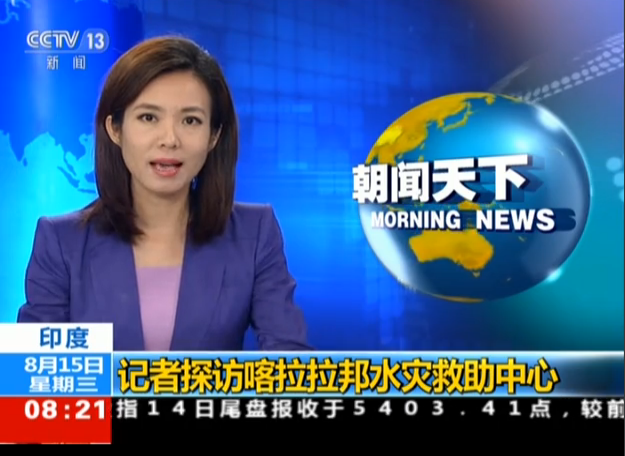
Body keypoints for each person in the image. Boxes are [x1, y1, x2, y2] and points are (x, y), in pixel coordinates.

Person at [17, 36, 312, 351]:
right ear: (115, 129)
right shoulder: (62, 242)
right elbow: (35, 369)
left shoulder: (255, 234)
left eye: (190, 120)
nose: (170, 139)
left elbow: (290, 360)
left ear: (213, 136)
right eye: (148, 117)